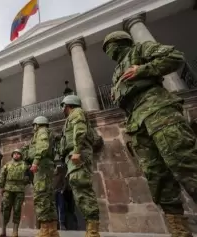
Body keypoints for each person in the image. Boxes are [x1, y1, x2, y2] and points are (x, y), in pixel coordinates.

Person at [102, 30, 196, 237]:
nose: (107, 51)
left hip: (159, 112)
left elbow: (174, 57)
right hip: (137, 122)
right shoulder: (117, 72)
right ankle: (180, 231)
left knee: (185, 164)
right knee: (157, 178)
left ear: (119, 43)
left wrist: (143, 70)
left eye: (108, 46)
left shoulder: (140, 49)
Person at [59, 95, 100, 237]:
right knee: (79, 188)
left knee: (83, 188)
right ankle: (91, 229)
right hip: (73, 155)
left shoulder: (76, 113)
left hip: (78, 154)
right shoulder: (70, 117)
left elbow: (80, 131)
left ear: (68, 105)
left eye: (63, 106)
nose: (62, 109)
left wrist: (76, 151)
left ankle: (93, 231)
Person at [24, 116, 59, 237]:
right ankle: (52, 229)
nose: (34, 128)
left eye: (34, 126)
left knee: (41, 196)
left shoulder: (42, 131)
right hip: (46, 166)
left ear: (37, 124)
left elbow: (42, 146)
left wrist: (35, 161)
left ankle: (45, 229)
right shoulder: (47, 132)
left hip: (42, 166)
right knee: (48, 197)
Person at [0, 149, 30, 237]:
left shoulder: (24, 165)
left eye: (18, 154)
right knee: (5, 209)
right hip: (8, 189)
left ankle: (15, 231)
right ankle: (3, 231)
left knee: (17, 209)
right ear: (12, 155)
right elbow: (2, 176)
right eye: (15, 153)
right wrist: (2, 187)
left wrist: (25, 181)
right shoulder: (7, 165)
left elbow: (29, 176)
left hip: (19, 190)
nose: (16, 155)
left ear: (21, 155)